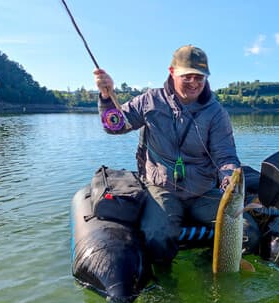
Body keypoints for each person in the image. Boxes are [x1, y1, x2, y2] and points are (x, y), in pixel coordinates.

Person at [93, 45, 241, 267]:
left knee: (249, 233)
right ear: (172, 72)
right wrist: (106, 97)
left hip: (203, 191)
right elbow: (115, 125)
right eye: (187, 76)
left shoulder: (216, 112)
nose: (194, 82)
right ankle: (166, 286)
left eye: (199, 77)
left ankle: (204, 270)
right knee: (157, 237)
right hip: (162, 187)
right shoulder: (149, 101)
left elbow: (225, 155)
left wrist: (230, 178)